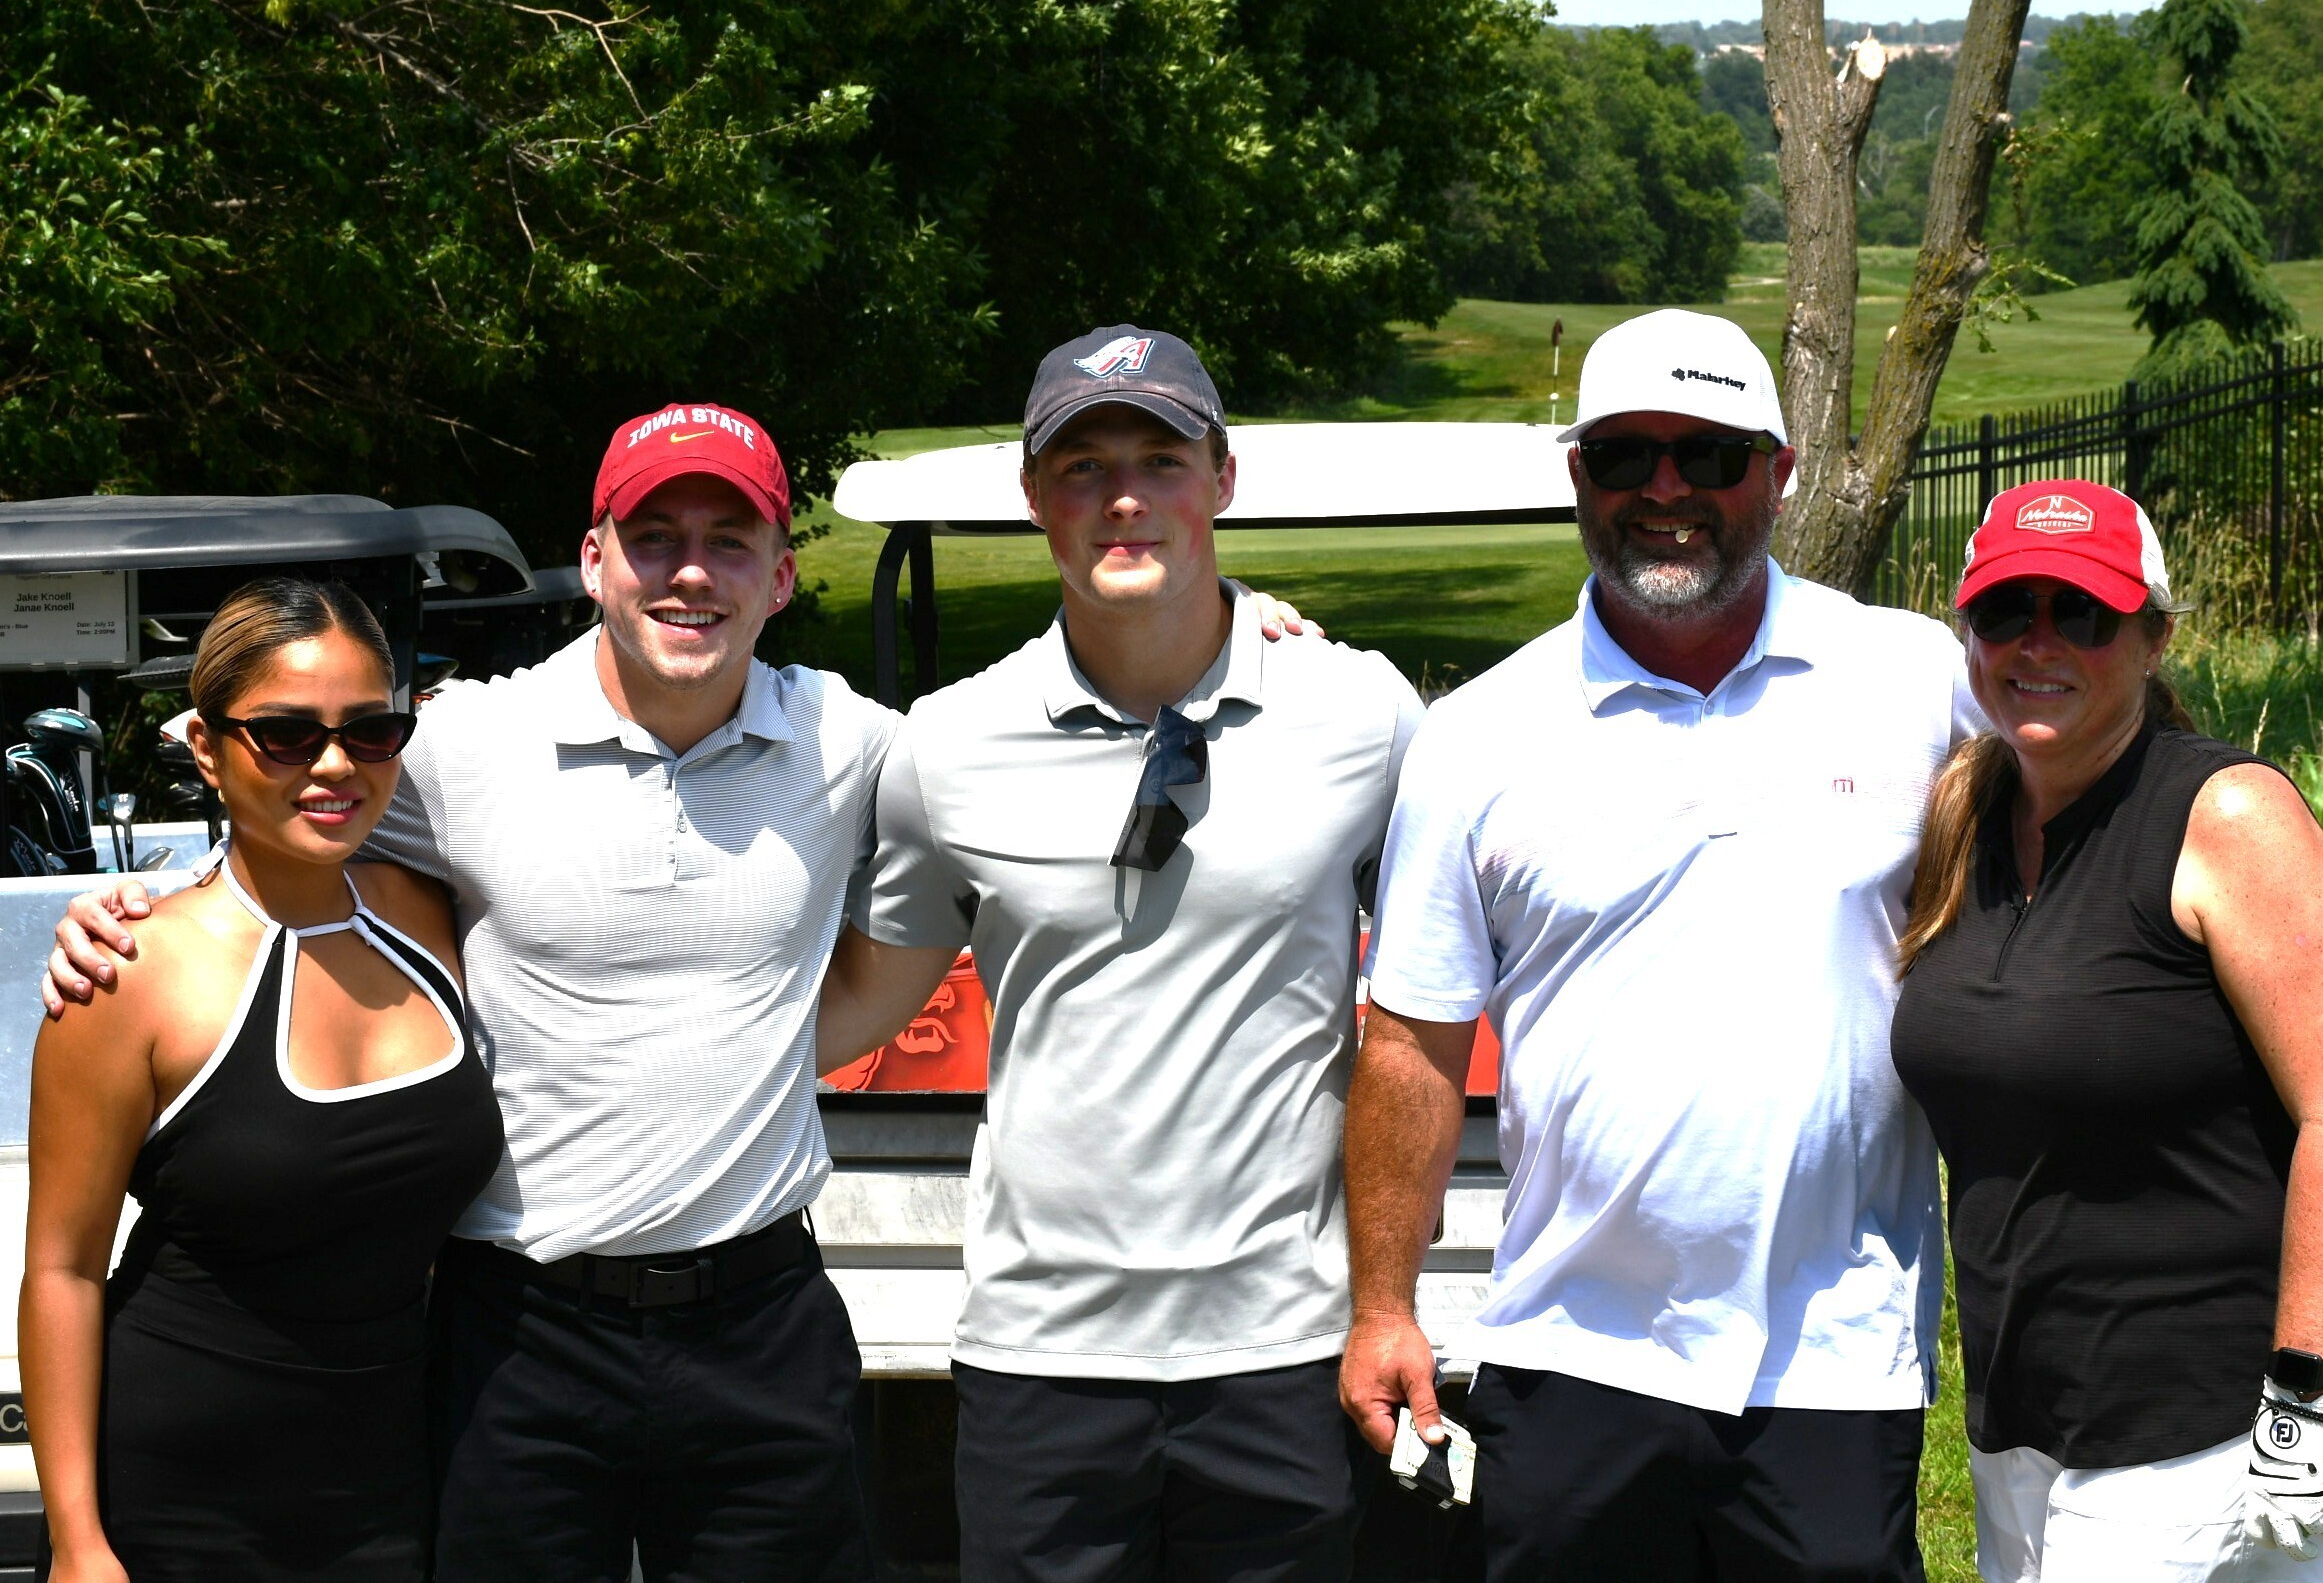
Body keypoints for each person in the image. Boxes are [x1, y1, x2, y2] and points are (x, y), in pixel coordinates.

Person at [47, 407, 893, 1581]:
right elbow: (294, 814)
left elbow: (1012, 803)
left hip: (761, 1321)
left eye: (729, 540)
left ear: (782, 576)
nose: (690, 571)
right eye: (653, 537)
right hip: (519, 1339)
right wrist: (139, 904)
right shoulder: (463, 746)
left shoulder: (856, 744)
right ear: (593, 559)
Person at [1338, 307, 1982, 1581]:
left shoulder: (1914, 683)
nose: (1667, 490)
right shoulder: (1478, 734)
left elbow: (2082, 825)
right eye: (1627, 455)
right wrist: (1383, 1305)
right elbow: (1412, 1043)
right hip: (1572, 1344)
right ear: (1580, 475)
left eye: (1710, 455)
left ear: (1779, 472)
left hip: (1834, 1350)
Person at [816, 325, 1426, 1581]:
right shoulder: (948, 744)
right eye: (1084, 467)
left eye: (1160, 459)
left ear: (1224, 479)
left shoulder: (1361, 714)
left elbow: (1440, 987)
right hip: (1043, 1357)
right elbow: (865, 999)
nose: (1125, 497)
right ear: (1035, 496)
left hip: (1281, 1345)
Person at [1888, 479, 2323, 1581]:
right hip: (2025, 1426)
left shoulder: (2225, 814)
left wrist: (2303, 1393)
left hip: (2201, 1438)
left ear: (2155, 636)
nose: (2038, 643)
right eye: (2004, 610)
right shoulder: (1967, 813)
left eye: (2081, 613)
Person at [21, 578, 506, 1581]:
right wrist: (77, 1541)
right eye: (285, 735)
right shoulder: (128, 975)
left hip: (398, 1477)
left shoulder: (431, 912)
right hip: (180, 1498)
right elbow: (62, 1270)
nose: (334, 764)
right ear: (206, 748)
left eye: (370, 731)